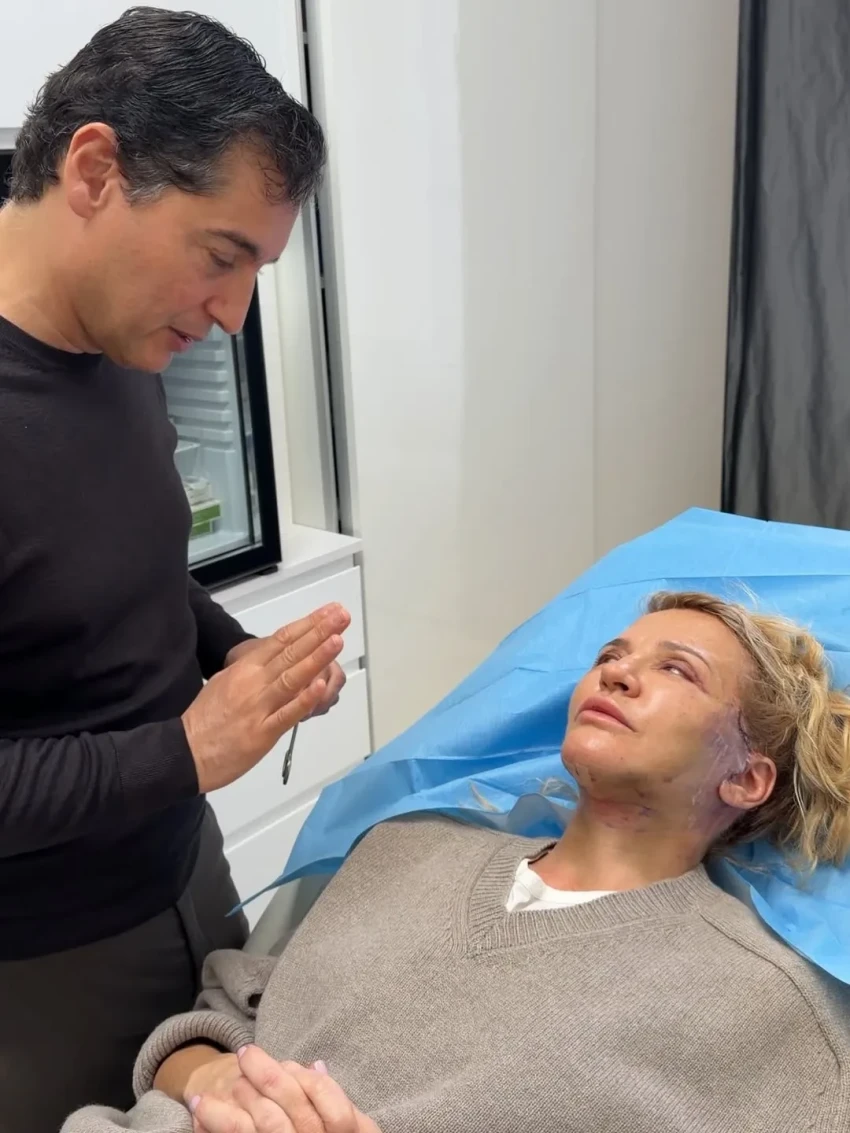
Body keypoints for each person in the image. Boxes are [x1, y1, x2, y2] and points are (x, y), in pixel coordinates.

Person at [62, 591, 850, 1133]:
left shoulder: (761, 1004)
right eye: (612, 653)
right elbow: (218, 1014)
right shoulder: (409, 844)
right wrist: (211, 1079)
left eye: (678, 669)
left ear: (746, 778)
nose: (616, 670)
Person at [0, 8, 349, 1130]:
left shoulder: (120, 334)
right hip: (45, 958)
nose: (234, 315)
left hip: (183, 865)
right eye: (222, 256)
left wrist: (234, 652)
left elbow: (117, 564)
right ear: (96, 170)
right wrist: (189, 747)